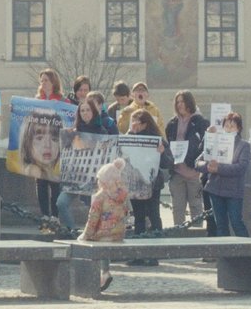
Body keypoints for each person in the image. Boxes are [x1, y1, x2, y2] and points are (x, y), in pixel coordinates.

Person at [126, 110, 174, 264]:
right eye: (132, 121)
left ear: (145, 124)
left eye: (136, 122)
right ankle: (138, 255)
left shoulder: (158, 139)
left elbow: (168, 163)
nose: (133, 124)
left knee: (153, 216)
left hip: (153, 183)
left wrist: (161, 153)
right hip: (135, 182)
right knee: (139, 218)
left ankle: (154, 254)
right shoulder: (129, 137)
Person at [77, 158, 130, 292]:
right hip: (119, 232)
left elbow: (93, 220)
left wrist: (85, 235)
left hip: (104, 233)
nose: (98, 181)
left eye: (99, 179)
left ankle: (103, 273)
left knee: (93, 241)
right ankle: (104, 272)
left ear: (104, 181)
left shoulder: (99, 197)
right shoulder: (123, 194)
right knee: (105, 240)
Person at [196, 112, 251, 237]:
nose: (229, 129)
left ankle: (247, 254)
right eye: (227, 126)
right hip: (215, 189)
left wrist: (218, 169)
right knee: (220, 225)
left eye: (232, 126)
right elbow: (198, 162)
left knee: (236, 222)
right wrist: (207, 167)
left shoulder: (244, 145)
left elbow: (241, 168)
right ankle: (224, 256)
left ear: (239, 128)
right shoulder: (216, 141)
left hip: (234, 191)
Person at [56, 98, 107, 230]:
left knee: (94, 208)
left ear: (93, 111)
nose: (85, 113)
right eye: (82, 111)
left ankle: (91, 232)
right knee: (61, 203)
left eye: (88, 110)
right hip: (75, 176)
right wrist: (67, 136)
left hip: (95, 178)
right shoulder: (73, 132)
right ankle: (72, 230)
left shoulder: (102, 131)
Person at [164, 90, 209, 227]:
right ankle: (178, 237)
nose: (180, 105)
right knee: (178, 208)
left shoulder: (200, 122)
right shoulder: (172, 123)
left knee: (196, 207)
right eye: (177, 102)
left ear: (189, 102)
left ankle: (197, 237)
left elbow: (205, 146)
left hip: (194, 172)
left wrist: (197, 163)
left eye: (182, 101)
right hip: (176, 171)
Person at [33, 68, 64, 219]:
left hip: (55, 146)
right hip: (40, 146)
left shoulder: (62, 100)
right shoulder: (37, 101)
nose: (44, 83)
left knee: (55, 183)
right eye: (42, 81)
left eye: (46, 80)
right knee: (41, 182)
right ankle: (45, 214)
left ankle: (56, 216)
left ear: (53, 82)